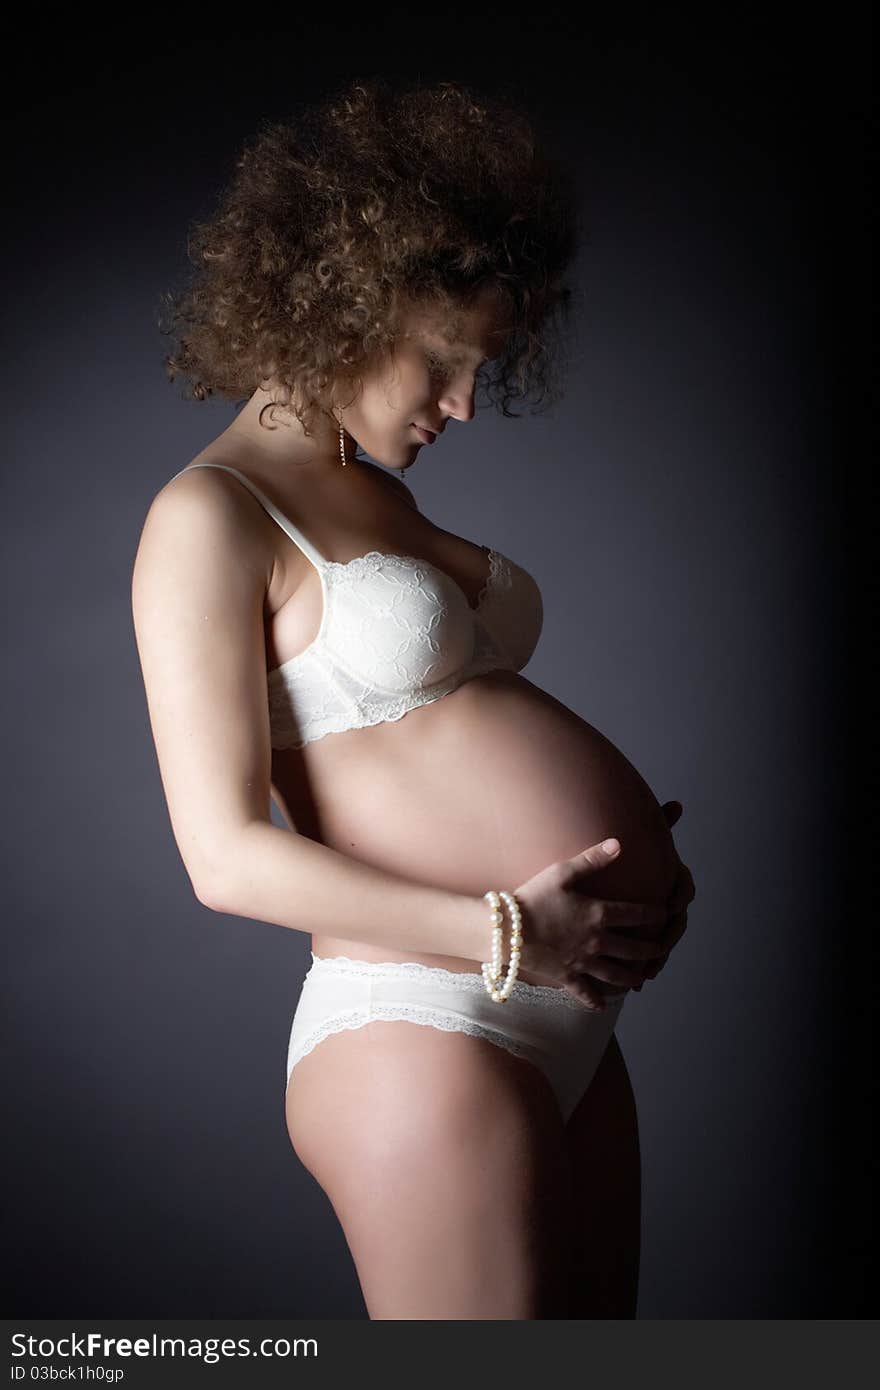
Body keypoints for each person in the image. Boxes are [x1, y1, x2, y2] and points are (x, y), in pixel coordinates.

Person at [132, 76, 696, 1320]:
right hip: (426, 1025)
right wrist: (508, 929)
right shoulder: (209, 516)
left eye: (484, 369)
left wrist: (624, 875)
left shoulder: (370, 487)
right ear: (349, 301)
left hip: (563, 1018)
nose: (463, 406)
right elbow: (222, 859)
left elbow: (437, 747)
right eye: (444, 364)